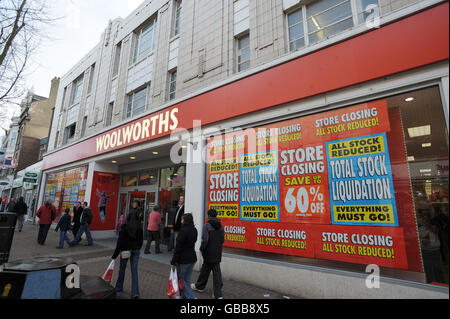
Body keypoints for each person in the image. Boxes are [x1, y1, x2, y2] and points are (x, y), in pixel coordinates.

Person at [112, 200, 143, 299]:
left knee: (122, 269)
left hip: (125, 250)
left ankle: (118, 287)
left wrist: (115, 255)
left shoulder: (125, 227)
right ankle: (135, 292)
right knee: (134, 271)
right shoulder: (139, 227)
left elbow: (120, 242)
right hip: (135, 250)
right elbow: (141, 240)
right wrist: (137, 247)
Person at [191, 209, 225, 299]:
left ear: (209, 216)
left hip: (208, 252)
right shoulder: (221, 226)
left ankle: (205, 288)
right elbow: (222, 240)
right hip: (217, 252)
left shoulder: (206, 226)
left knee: (208, 270)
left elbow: (205, 240)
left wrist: (202, 248)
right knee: (211, 271)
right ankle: (207, 289)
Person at [170, 213, 197, 299]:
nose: (181, 221)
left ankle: (191, 297)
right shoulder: (194, 230)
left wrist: (173, 262)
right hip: (192, 258)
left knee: (182, 280)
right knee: (187, 280)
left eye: (182, 219)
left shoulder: (183, 231)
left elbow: (178, 248)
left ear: (185, 221)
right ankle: (183, 296)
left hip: (184, 260)